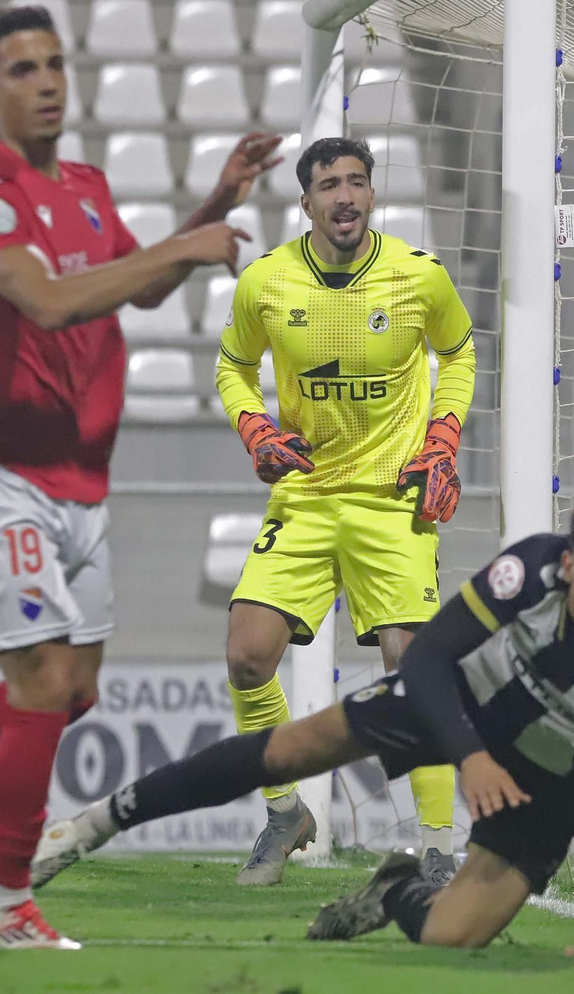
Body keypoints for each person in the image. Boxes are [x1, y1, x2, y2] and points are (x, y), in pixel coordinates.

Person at [0, 6, 279, 950]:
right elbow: (49, 304)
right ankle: (6, 906)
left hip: (82, 481)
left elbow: (137, 283)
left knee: (71, 691)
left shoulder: (87, 187)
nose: (45, 81)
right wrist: (180, 247)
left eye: (54, 64)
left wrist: (210, 209)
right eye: (21, 69)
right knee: (43, 683)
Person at [34, 485, 574, 960]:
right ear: (570, 563)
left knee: (453, 939)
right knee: (294, 750)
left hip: (554, 773)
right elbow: (427, 658)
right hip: (468, 696)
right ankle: (89, 826)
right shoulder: (532, 568)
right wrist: (469, 755)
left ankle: (397, 887)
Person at [200, 136, 477, 886]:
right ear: (307, 203)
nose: (346, 196)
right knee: (246, 652)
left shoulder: (418, 277)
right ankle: (285, 813)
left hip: (394, 499)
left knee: (411, 667)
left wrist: (444, 439)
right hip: (307, 493)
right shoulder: (266, 282)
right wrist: (253, 425)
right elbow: (231, 365)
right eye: (330, 185)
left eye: (358, 181)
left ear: (373, 195)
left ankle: (439, 850)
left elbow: (459, 354)